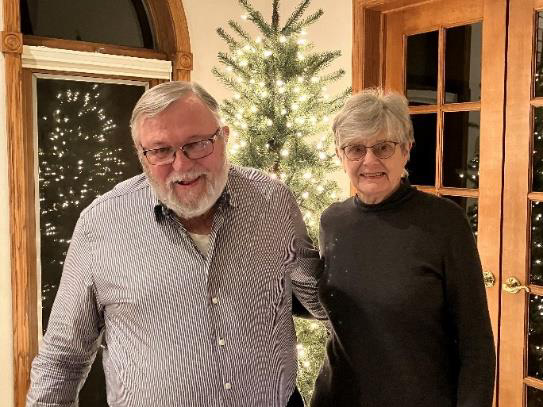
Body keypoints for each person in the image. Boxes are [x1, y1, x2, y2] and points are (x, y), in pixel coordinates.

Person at [26, 81, 322, 407]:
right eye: (160, 151)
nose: (181, 165)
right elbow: (62, 359)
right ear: (141, 155)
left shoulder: (272, 201)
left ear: (224, 137)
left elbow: (321, 296)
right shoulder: (101, 224)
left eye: (197, 144)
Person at [311, 88, 496, 407]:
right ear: (340, 155)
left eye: (383, 147)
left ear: (406, 149)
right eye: (355, 149)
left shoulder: (444, 223)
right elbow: (339, 301)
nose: (370, 160)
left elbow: (476, 345)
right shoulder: (332, 221)